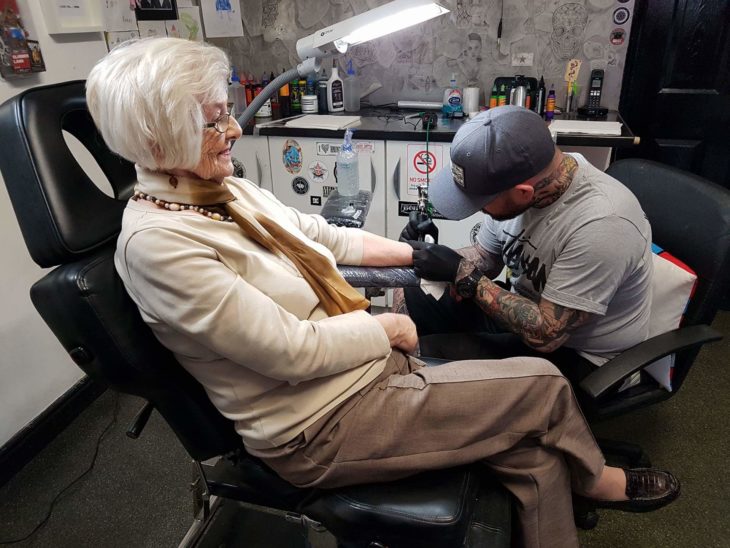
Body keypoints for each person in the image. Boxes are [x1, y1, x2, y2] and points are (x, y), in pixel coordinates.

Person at [86, 38, 678, 548]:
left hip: (362, 378)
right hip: (317, 425)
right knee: (543, 386)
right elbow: (286, 351)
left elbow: (319, 234)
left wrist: (415, 255)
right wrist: (388, 328)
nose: (235, 129)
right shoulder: (159, 246)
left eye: (226, 114)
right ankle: (600, 481)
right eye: (215, 121)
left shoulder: (225, 193)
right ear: (160, 139)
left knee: (534, 454)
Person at [399, 106, 654, 389]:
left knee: (429, 358)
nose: (477, 210)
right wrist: (432, 256)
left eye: (480, 201)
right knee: (416, 294)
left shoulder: (602, 223)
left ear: (523, 192)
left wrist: (463, 275)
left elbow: (547, 335)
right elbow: (487, 257)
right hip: (526, 316)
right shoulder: (518, 184)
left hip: (581, 357)